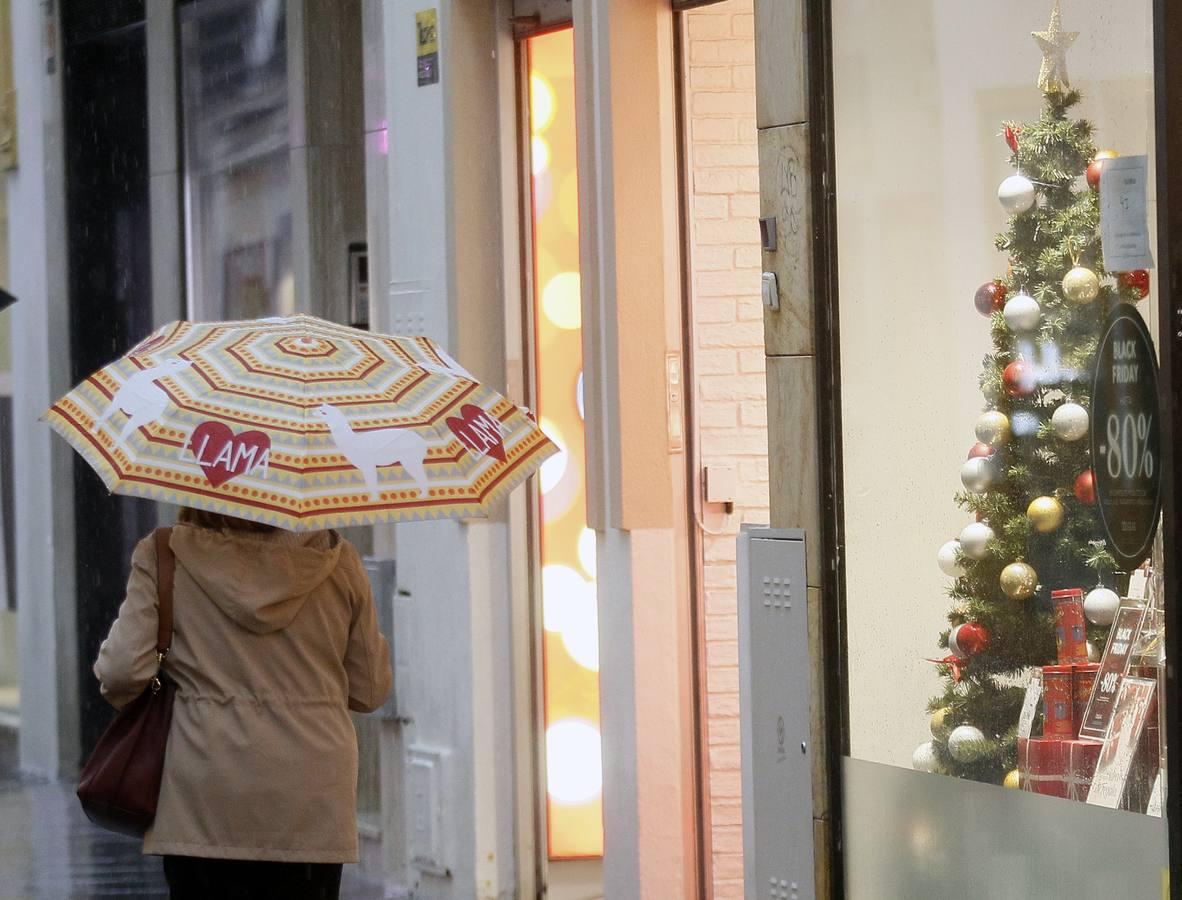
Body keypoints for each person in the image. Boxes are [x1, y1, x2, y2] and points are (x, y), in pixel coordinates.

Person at [94, 508, 393, 900]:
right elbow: (370, 689)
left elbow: (121, 671)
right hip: (312, 796)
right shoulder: (339, 562)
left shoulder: (165, 553)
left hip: (203, 791)